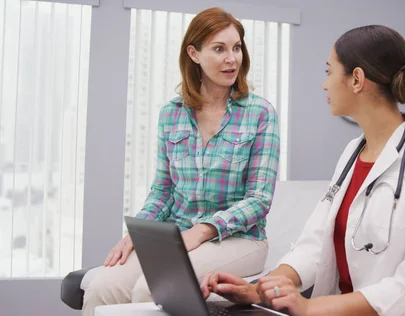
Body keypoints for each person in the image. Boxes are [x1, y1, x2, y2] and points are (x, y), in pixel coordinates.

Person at [201, 25, 405, 316]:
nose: (325, 85)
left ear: (357, 80)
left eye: (329, 72)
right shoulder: (352, 153)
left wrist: (311, 307)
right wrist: (260, 289)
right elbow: (314, 245)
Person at [82, 7, 280, 316]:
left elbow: (259, 199)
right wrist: (137, 234)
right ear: (194, 53)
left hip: (240, 240)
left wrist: (203, 230)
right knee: (101, 287)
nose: (232, 58)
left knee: (152, 288)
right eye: (219, 48)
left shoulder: (260, 113)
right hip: (179, 238)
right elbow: (163, 190)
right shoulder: (171, 114)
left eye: (237, 47)